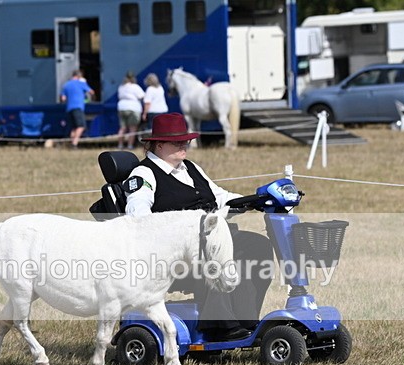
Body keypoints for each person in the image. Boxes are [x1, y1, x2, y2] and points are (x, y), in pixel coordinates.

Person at [122, 113, 273, 342]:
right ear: (158, 144)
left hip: (214, 236)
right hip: (172, 252)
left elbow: (221, 197)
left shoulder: (190, 167)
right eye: (178, 141)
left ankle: (246, 319)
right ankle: (218, 325)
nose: (185, 145)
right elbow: (138, 215)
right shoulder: (144, 174)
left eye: (187, 140)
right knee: (212, 252)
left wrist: (257, 200)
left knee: (258, 246)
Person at [60, 69, 95, 148]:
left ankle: (71, 143)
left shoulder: (66, 85)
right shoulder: (81, 83)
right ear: (79, 76)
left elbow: (63, 98)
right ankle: (74, 144)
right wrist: (88, 99)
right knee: (81, 126)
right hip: (78, 107)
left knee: (74, 127)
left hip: (69, 108)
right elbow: (91, 92)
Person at [117, 71, 145, 149]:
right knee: (132, 128)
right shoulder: (135, 87)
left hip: (122, 107)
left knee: (122, 128)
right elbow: (142, 96)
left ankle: (120, 145)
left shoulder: (121, 87)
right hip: (133, 108)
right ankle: (130, 145)